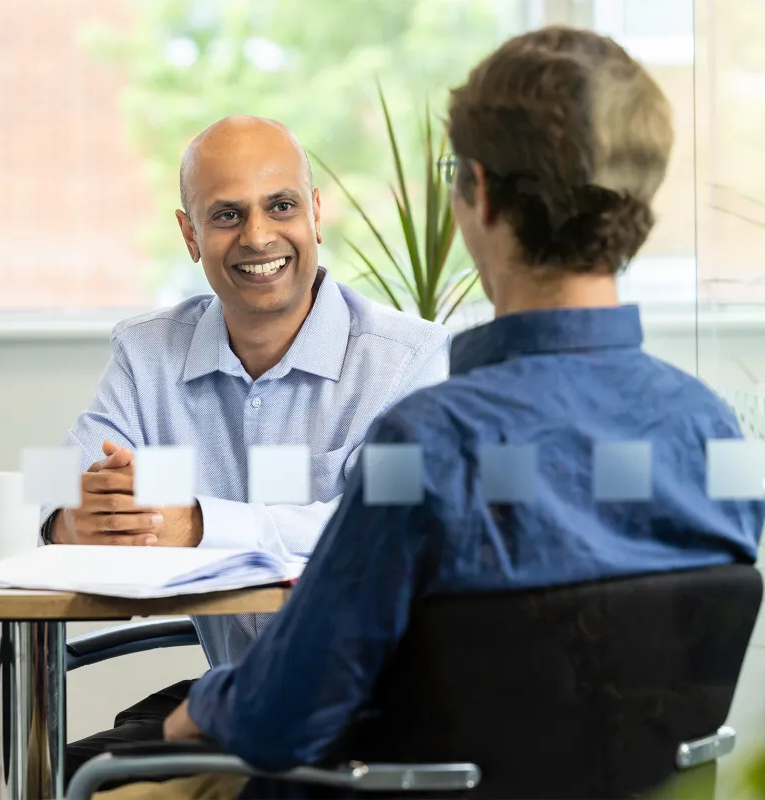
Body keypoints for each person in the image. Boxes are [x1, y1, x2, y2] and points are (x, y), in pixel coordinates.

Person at [92, 26, 764, 800]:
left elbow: (280, 717)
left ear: (474, 190)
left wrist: (191, 713)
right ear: (637, 202)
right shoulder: (713, 438)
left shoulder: (427, 448)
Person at [42, 115, 449, 784]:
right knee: (38, 781)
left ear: (315, 214)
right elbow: (59, 478)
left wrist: (200, 525)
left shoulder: (409, 363)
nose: (258, 237)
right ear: (189, 234)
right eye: (227, 215)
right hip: (234, 698)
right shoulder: (148, 353)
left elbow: (388, 533)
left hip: (368, 719)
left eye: (280, 206)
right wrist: (73, 517)